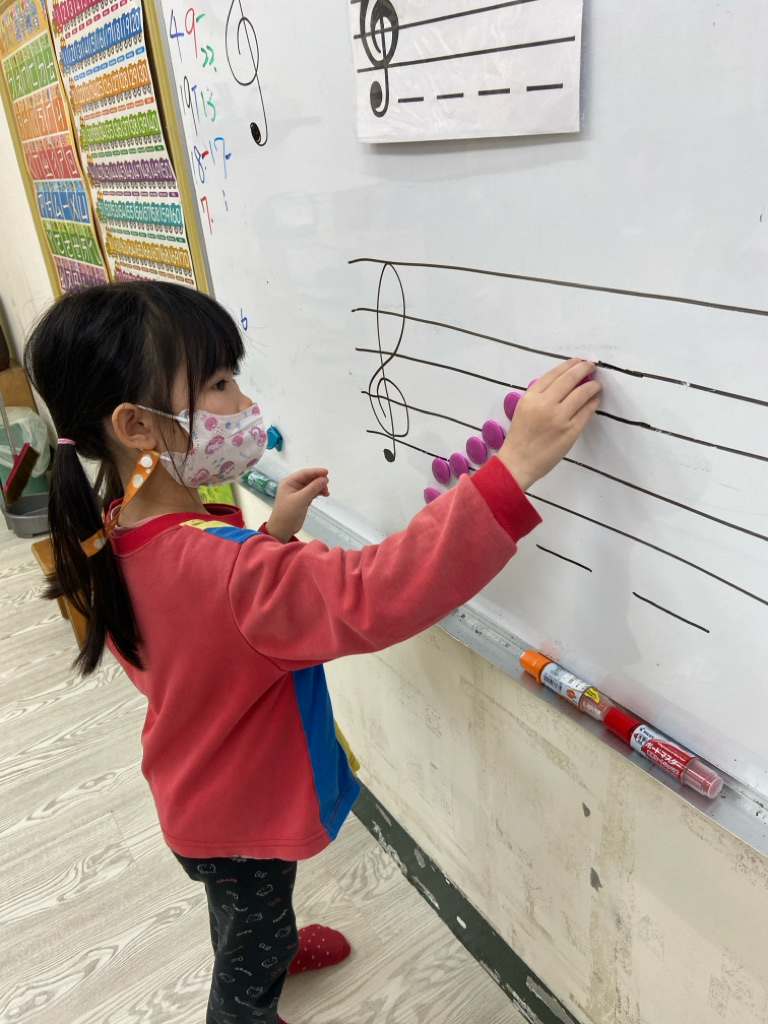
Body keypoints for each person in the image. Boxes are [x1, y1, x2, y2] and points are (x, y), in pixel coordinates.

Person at [24, 281, 601, 1024]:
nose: (243, 403)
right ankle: (250, 997)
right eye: (219, 385)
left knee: (244, 910)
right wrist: (511, 466)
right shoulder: (230, 574)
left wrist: (270, 540)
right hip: (241, 817)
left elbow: (201, 623)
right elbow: (377, 591)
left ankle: (272, 943)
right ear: (137, 425)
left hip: (198, 795)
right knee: (250, 939)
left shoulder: (114, 530)